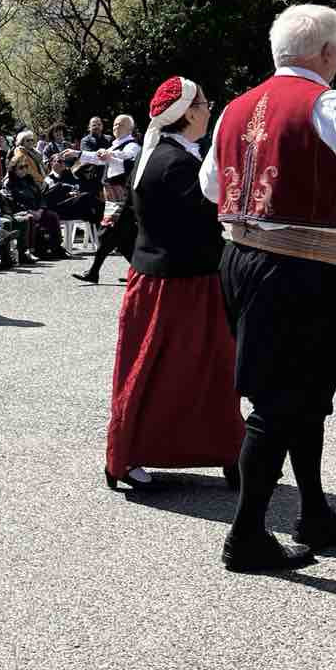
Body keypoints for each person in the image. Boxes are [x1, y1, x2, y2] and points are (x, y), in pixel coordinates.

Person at [199, 4, 336, 573]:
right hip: (298, 268)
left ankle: (312, 511)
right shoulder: (328, 103)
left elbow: (211, 183)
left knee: (301, 394)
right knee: (282, 400)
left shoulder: (235, 108)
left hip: (241, 258)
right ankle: (245, 537)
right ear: (327, 55)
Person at [103, 77, 244, 495]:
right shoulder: (177, 163)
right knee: (183, 373)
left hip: (163, 278)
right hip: (181, 284)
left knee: (178, 373)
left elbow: (127, 224)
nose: (208, 109)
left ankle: (224, 451)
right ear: (186, 113)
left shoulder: (160, 155)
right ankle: (130, 456)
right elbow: (209, 222)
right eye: (203, 103)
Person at [72, 114, 140, 284]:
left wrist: (110, 156)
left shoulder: (132, 145)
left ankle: (94, 273)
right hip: (112, 197)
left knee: (108, 234)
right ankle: (140, 273)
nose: (116, 127)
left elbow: (127, 158)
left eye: (120, 124)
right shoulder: (114, 145)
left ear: (129, 128)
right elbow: (98, 158)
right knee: (123, 239)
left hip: (122, 196)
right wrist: (77, 153)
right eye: (115, 124)